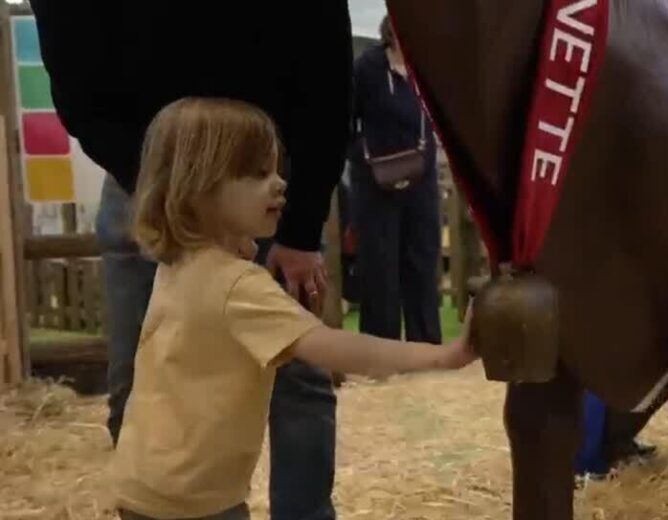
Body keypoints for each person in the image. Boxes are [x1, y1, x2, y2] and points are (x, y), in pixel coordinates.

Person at [29, 2, 352, 518]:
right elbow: (78, 88)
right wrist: (166, 188)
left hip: (266, 179)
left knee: (296, 377)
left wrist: (302, 226)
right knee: (143, 380)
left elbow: (329, 76)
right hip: (147, 174)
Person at [112, 97, 477, 520]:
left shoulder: (179, 262)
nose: (279, 183)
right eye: (255, 173)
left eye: (275, 169)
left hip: (144, 482)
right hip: (194, 503)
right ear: (197, 189)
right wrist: (445, 355)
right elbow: (335, 349)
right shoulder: (237, 285)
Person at [349, 15, 443, 344]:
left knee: (422, 261)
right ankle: (380, 349)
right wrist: (364, 154)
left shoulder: (428, 66)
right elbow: (348, 120)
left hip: (421, 178)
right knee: (379, 267)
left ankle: (427, 347)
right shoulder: (368, 66)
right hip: (376, 182)